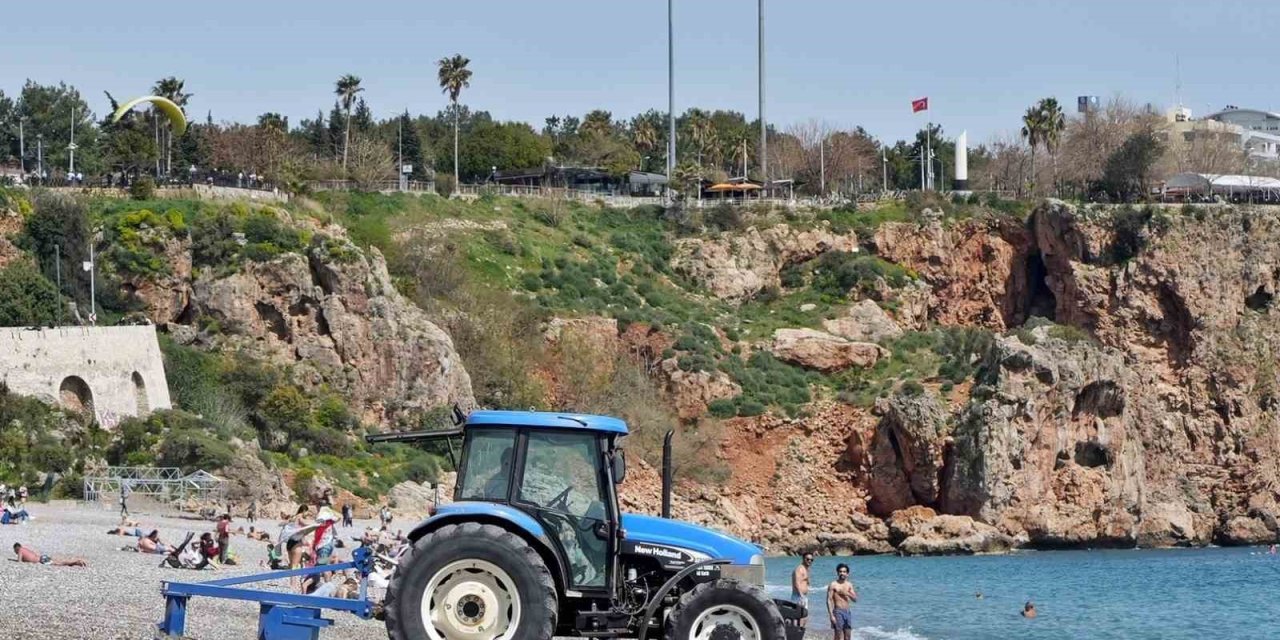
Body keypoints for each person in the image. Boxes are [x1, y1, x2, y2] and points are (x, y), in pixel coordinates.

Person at [826, 563, 858, 640]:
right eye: (840, 571)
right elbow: (828, 600)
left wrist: (847, 593)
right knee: (838, 636)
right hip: (838, 612)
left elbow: (855, 599)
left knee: (848, 636)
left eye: (844, 571)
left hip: (847, 612)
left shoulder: (849, 585)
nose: (842, 573)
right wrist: (831, 615)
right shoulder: (833, 584)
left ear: (847, 574)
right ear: (837, 572)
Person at [13, 543, 87, 567]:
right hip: (42, 557)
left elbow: (19, 561)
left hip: (41, 560)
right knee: (59, 561)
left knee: (60, 563)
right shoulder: (24, 549)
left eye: (14, 550)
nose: (15, 552)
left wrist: (14, 560)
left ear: (16, 548)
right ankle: (74, 562)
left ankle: (75, 562)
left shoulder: (20, 550)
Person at [791, 552, 815, 626]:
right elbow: (796, 583)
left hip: (803, 596)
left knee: (804, 617)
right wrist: (801, 596)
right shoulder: (799, 569)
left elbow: (805, 581)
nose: (809, 561)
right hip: (798, 596)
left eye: (811, 560)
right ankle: (796, 634)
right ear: (803, 559)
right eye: (808, 559)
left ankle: (799, 632)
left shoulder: (806, 569)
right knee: (799, 618)